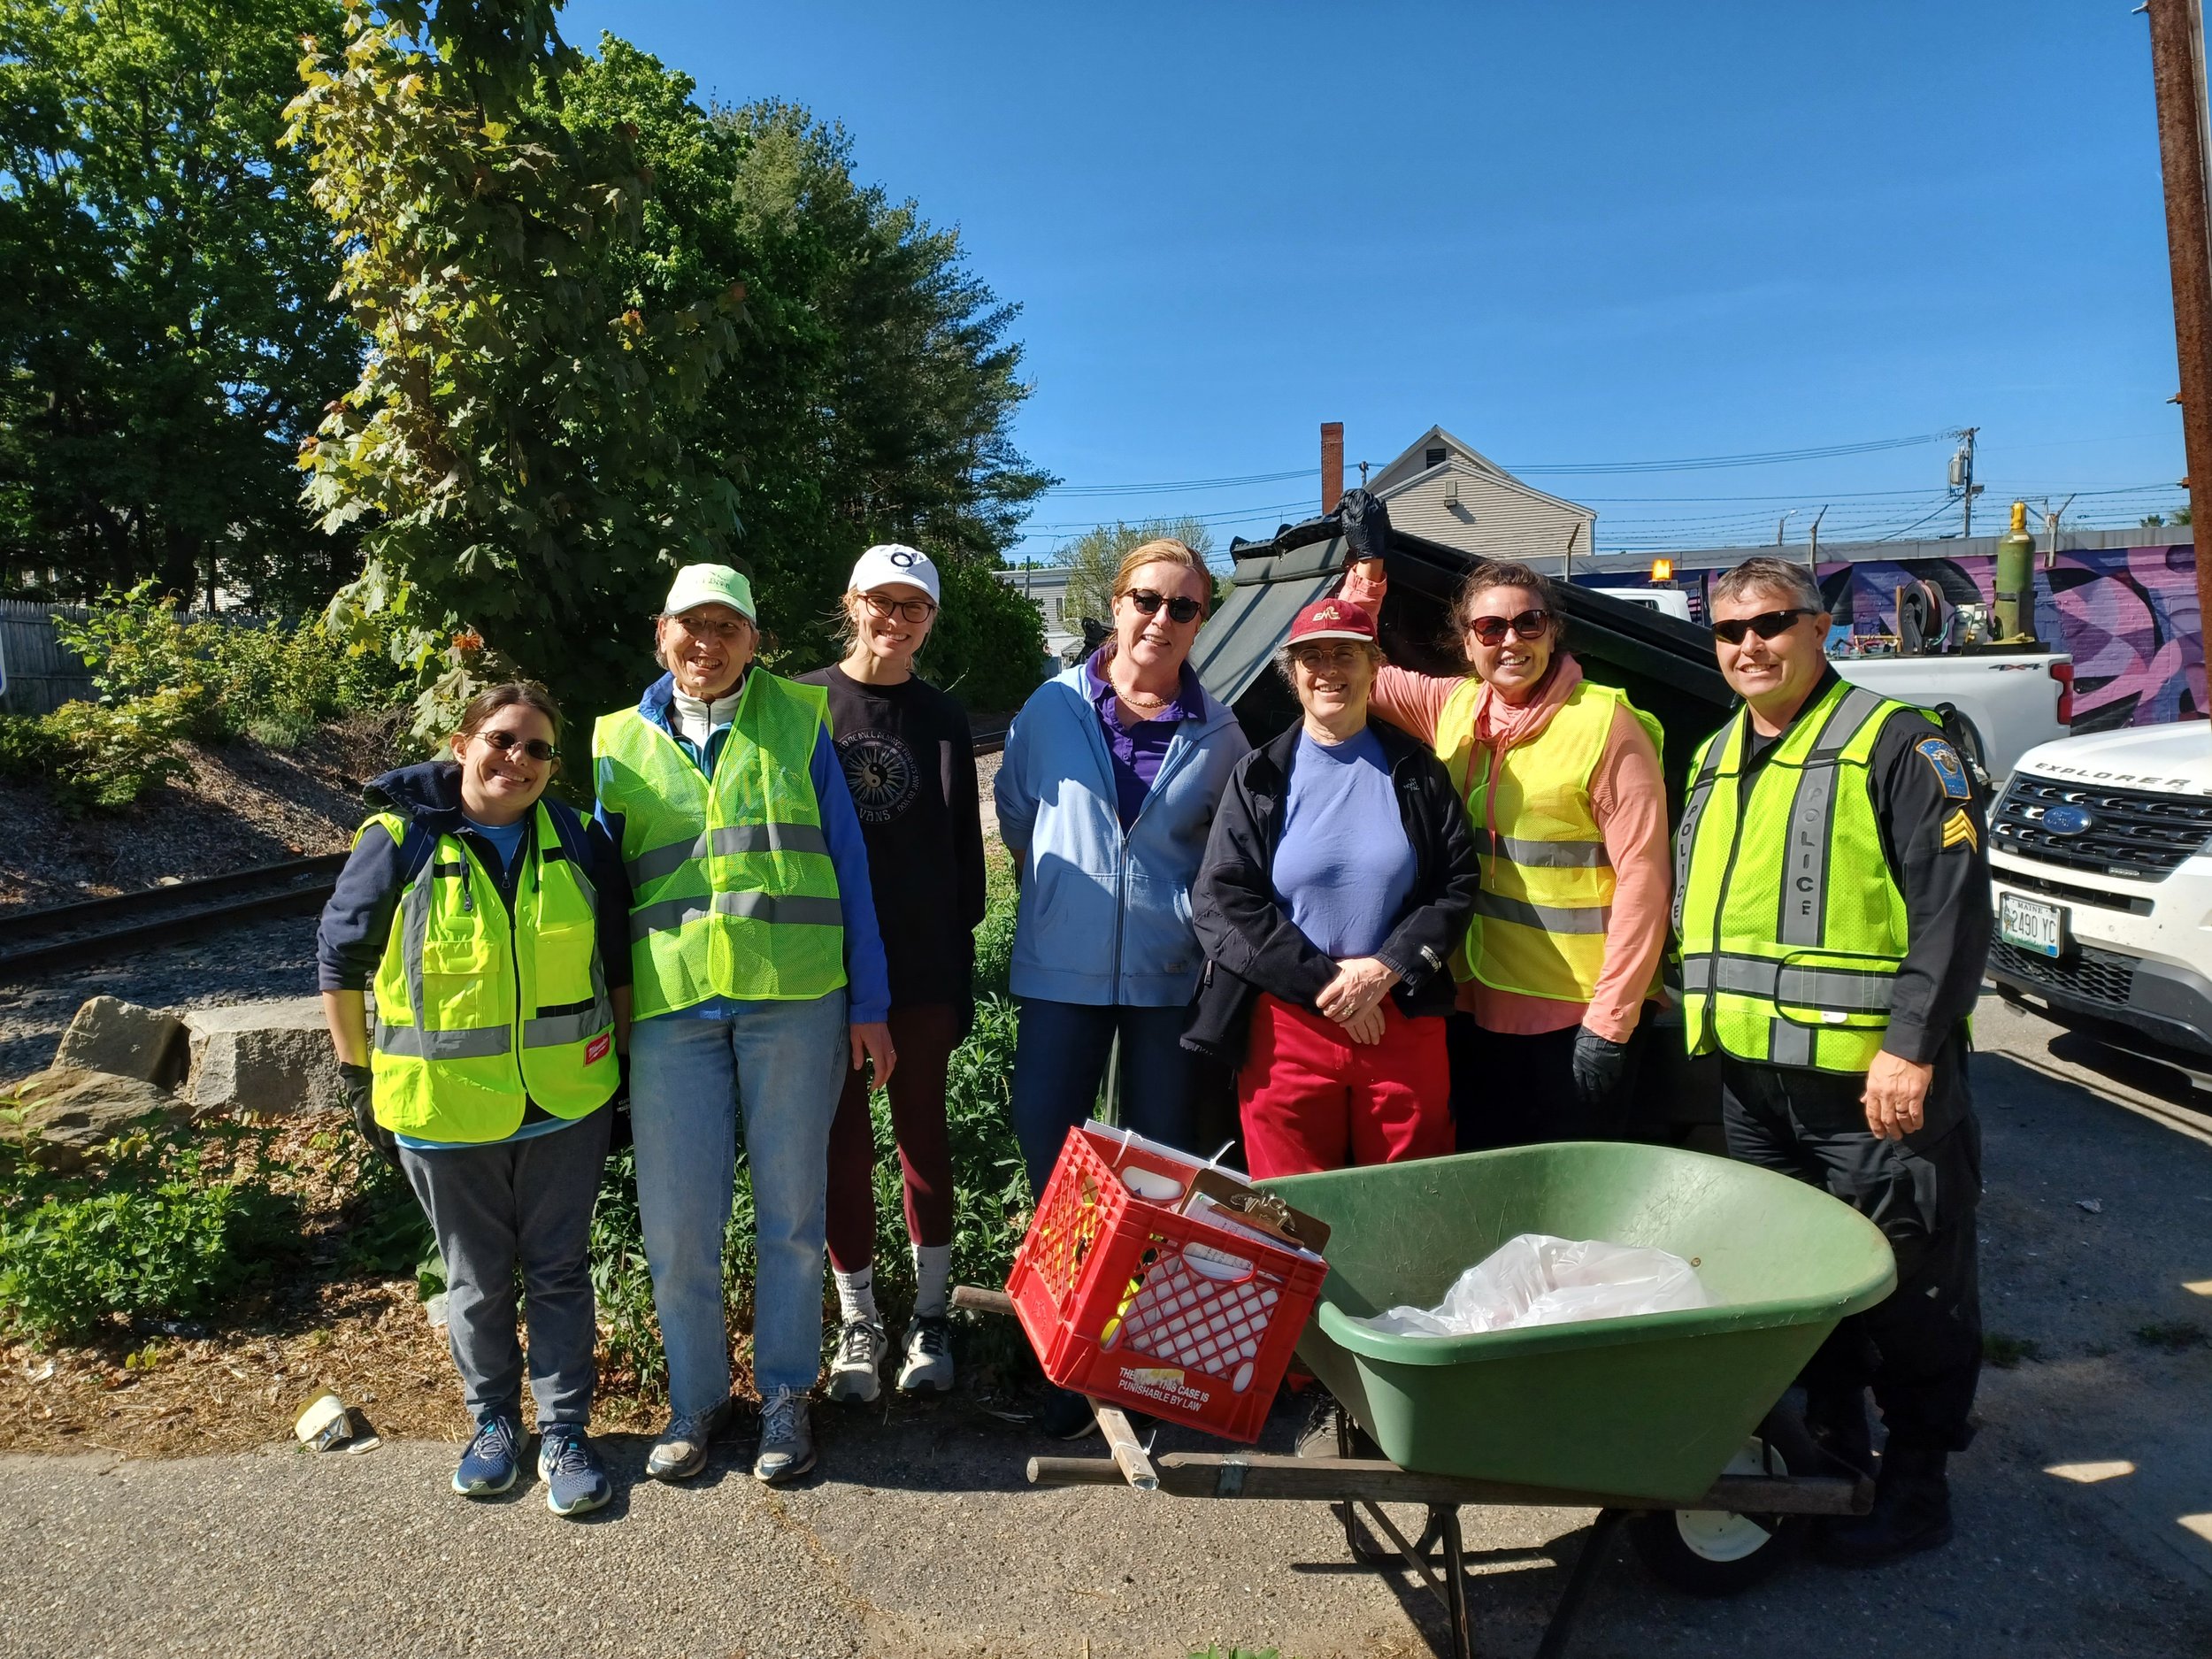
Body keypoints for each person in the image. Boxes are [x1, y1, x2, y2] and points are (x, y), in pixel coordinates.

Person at [1676, 555, 1989, 1565]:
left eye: (1770, 623)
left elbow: (1951, 913)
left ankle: (1918, 1484)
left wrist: (1910, 1049)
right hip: (1754, 1085)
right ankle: (1832, 1452)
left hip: (1872, 1091)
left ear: (1820, 628)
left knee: (1907, 1288)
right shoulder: (1717, 755)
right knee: (1793, 1283)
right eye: (1728, 631)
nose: (1748, 646)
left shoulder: (1895, 745)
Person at [593, 564, 895, 1486]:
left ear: (755, 642)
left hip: (794, 1000)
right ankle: (695, 1403)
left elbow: (848, 866)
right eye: (691, 625)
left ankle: (785, 1397)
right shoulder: (612, 742)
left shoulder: (798, 721)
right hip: (671, 1009)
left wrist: (870, 1003)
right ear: (661, 633)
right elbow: (603, 898)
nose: (707, 642)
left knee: (792, 1215)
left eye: (727, 627)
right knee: (679, 1222)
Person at [317, 682, 626, 1517]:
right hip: (443, 1107)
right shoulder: (399, 839)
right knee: (478, 1279)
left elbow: (617, 962)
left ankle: (564, 1431)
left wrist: (623, 1070)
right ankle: (492, 1426)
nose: (515, 760)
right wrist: (358, 1079)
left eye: (536, 750)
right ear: (462, 744)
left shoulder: (574, 837)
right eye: (500, 740)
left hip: (566, 1099)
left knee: (558, 1271)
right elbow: (340, 960)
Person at [994, 536, 1248, 1438]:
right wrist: (1070, 902)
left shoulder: (1219, 734)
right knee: (1055, 1160)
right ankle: (1064, 1362)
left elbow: (1229, 854)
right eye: (1148, 599)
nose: (1161, 620)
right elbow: (1020, 818)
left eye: (1183, 608)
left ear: (1200, 621)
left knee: (1162, 1172)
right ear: (1116, 602)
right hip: (1061, 971)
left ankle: (1144, 1360)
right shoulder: (1053, 708)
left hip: (1165, 977)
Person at [1352, 557, 1671, 1145]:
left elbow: (1645, 879)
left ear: (1553, 631)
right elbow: (1353, 667)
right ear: (1467, 642)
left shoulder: (1605, 725)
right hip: (1475, 1009)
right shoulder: (1453, 706)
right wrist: (1366, 574)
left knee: (1571, 1207)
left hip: (1577, 1017)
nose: (1511, 640)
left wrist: (1612, 1020)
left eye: (1529, 622)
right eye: (1491, 628)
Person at [1187, 595, 1481, 1179]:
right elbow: (1224, 897)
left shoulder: (1418, 771)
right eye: (1311, 656)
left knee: (1412, 1200)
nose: (1328, 670)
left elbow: (1456, 881)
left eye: (1345, 654)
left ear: (1374, 666)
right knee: (1293, 1210)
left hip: (1400, 1011)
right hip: (1288, 1021)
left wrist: (1382, 971)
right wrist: (1331, 986)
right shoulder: (1260, 775)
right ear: (1292, 674)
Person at [795, 544, 986, 1404]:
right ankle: (858, 1320)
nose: (897, 619)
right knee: (841, 1149)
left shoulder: (943, 718)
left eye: (914, 607)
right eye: (883, 602)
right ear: (853, 603)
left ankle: (931, 1316)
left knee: (922, 1142)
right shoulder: (800, 704)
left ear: (930, 620)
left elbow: (963, 862)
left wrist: (951, 974)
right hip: (823, 973)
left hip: (919, 971)